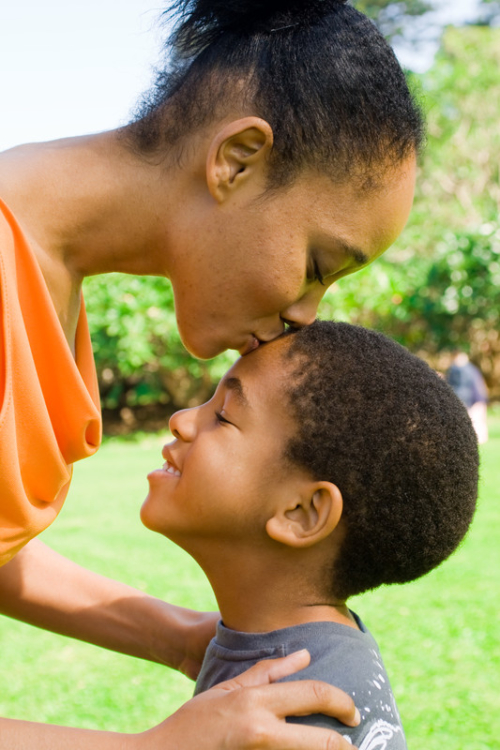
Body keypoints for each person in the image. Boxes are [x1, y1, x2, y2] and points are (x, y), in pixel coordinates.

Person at [0, 0, 423, 746]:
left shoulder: (44, 272)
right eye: (319, 265)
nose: (306, 314)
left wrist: (188, 640)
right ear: (236, 160)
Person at [142, 321, 479, 749]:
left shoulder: (297, 712)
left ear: (301, 512)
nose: (181, 421)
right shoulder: (310, 650)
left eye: (223, 416)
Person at [446, 351, 489, 444]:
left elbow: (466, 388)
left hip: (473, 401)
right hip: (474, 400)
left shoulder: (463, 370)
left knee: (476, 424)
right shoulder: (470, 369)